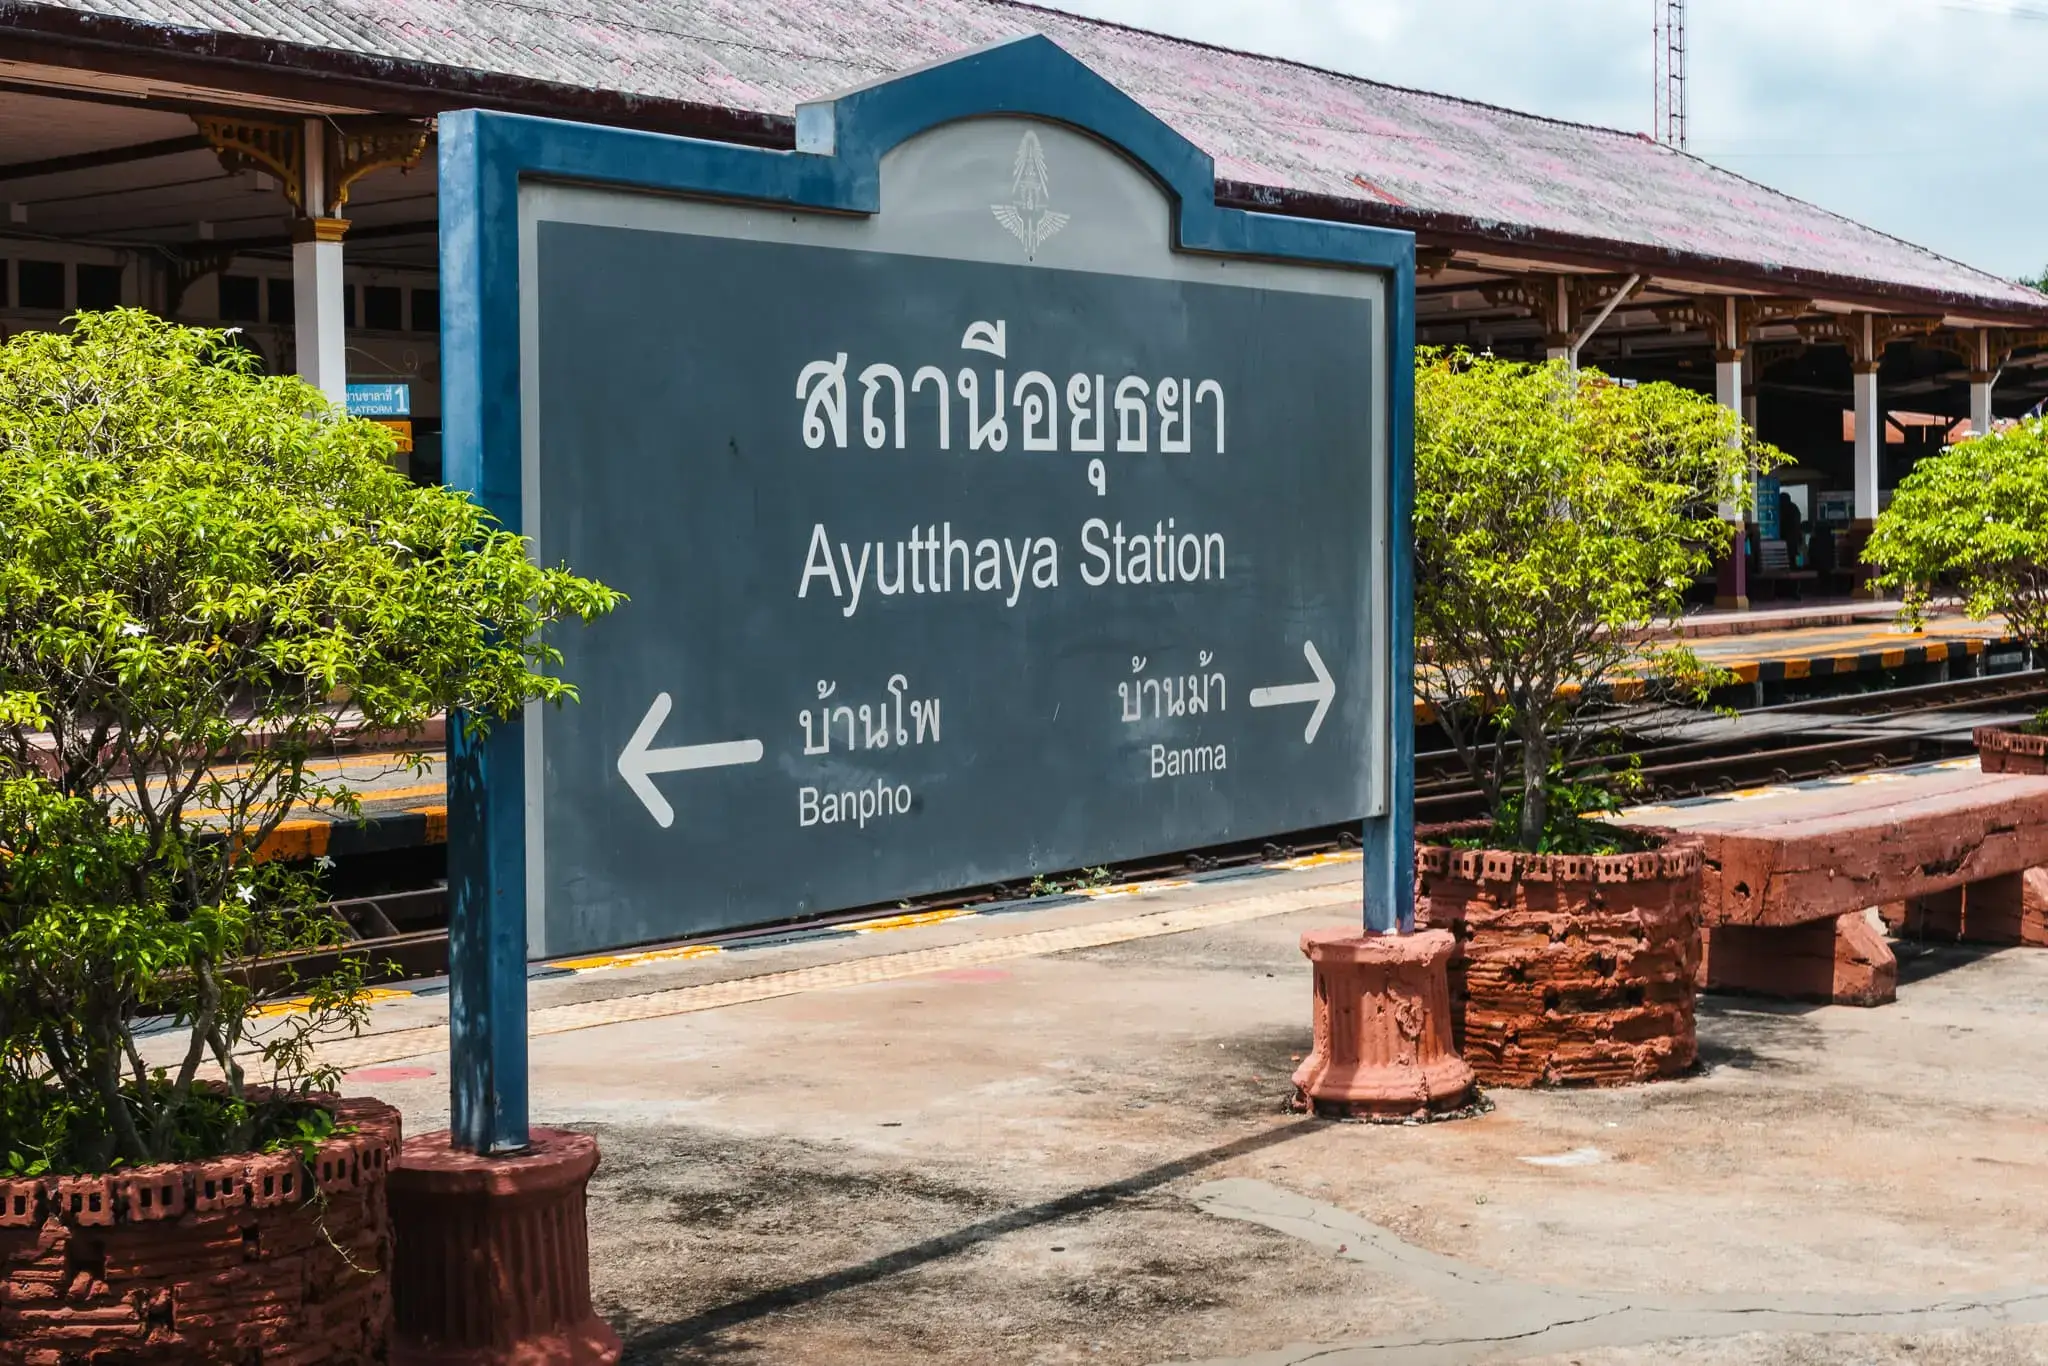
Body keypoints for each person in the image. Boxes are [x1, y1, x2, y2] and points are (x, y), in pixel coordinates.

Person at [1777, 491, 1804, 567]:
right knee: (1796, 556)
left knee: (1785, 560)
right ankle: (1799, 567)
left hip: (1785, 538)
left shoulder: (1783, 509)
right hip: (1795, 538)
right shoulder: (1794, 508)